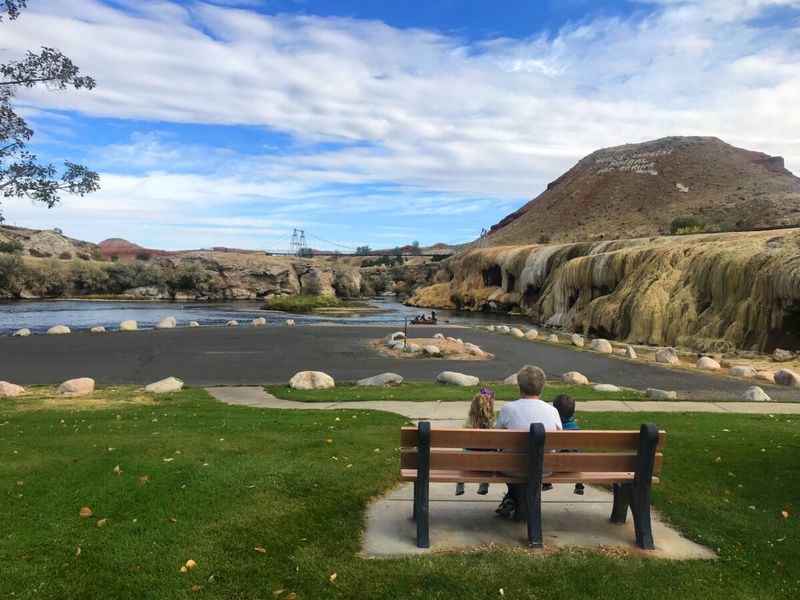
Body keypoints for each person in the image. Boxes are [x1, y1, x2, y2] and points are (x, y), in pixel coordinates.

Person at [494, 365, 562, 517]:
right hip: (544, 468)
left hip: (511, 468)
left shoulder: (508, 409)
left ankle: (511, 496)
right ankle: (514, 499)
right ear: (542, 388)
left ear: (520, 387)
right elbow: (558, 446)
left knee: (510, 460)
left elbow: (497, 442)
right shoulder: (552, 411)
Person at [455, 388, 496, 496]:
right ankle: (484, 484)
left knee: (463, 453)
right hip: (488, 464)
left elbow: (462, 442)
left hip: (468, 462)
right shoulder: (494, 425)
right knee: (491, 454)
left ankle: (460, 484)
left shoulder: (467, 424)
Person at [552, 394, 585, 495]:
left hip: (554, 466)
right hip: (574, 466)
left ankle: (546, 483)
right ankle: (579, 484)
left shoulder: (554, 427)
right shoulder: (576, 428)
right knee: (578, 455)